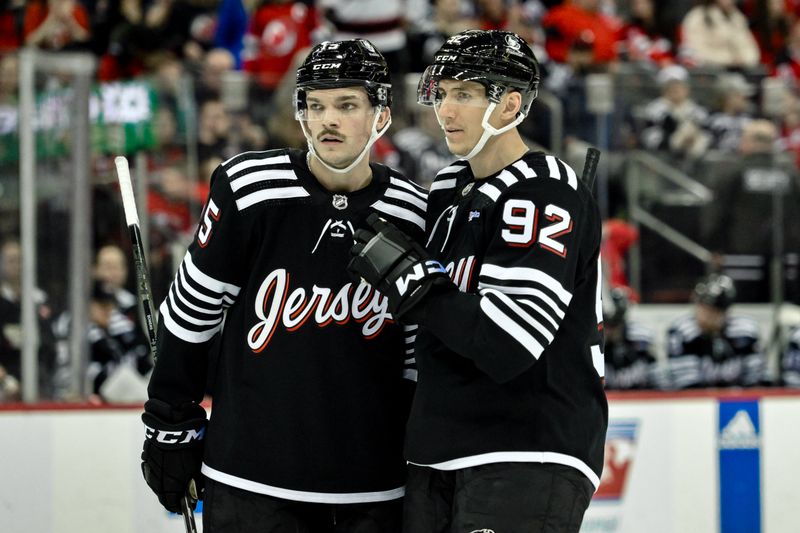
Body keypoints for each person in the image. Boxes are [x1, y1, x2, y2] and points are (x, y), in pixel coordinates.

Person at [139, 39, 427, 533]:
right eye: (315, 105)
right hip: (251, 482)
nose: (327, 120)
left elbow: (415, 356)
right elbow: (192, 313)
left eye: (346, 105)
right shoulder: (250, 187)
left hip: (372, 488)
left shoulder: (413, 211)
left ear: (381, 115)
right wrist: (170, 421)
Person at [349, 30, 607, 532]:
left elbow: (507, 343)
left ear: (511, 105)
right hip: (438, 448)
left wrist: (414, 283)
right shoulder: (448, 189)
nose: (446, 111)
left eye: (463, 94)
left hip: (528, 446)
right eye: (441, 94)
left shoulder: (543, 190)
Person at [666, 273, 766, 389]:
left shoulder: (746, 331)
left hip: (738, 399)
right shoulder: (682, 332)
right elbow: (687, 385)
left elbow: (756, 381)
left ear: (726, 311)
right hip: (695, 403)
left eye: (713, 311)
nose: (704, 315)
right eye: (701, 307)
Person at [603, 288, 660, 390]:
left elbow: (657, 379)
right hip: (608, 398)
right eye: (606, 324)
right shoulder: (594, 343)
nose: (610, 331)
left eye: (615, 324)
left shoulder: (641, 337)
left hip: (642, 397)